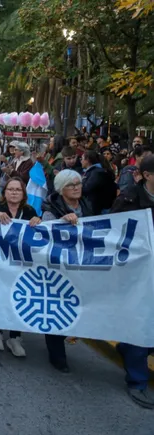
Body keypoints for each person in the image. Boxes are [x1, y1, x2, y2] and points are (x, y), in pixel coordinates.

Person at [110, 155, 154, 409]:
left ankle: (128, 348)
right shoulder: (128, 199)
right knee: (142, 321)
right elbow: (114, 231)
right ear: (147, 175)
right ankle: (137, 381)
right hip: (137, 273)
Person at [40, 170, 94, 373]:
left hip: (83, 265)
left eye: (79, 183)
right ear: (62, 189)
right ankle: (57, 355)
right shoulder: (51, 210)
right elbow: (45, 236)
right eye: (71, 185)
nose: (77, 187)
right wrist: (62, 222)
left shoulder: (87, 205)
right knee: (58, 308)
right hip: (60, 268)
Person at [0, 177, 43, 356]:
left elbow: (38, 229)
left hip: (20, 263)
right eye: (11, 189)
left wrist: (36, 220)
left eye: (18, 189)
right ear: (5, 192)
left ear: (23, 193)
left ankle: (15, 337)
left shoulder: (29, 210)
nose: (14, 192)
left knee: (19, 298)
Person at [81, 150, 117, 215]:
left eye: (82, 159)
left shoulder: (97, 173)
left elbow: (86, 188)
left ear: (88, 160)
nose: (81, 161)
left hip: (100, 210)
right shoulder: (90, 172)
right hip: (94, 208)